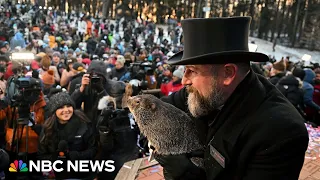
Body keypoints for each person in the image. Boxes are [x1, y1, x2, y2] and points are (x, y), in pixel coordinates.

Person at [156, 17, 308, 180]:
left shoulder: (280, 131)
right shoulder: (203, 90)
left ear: (228, 73)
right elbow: (160, 110)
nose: (184, 80)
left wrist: (187, 176)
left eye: (193, 70)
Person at [38, 92, 97, 180]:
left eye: (68, 106)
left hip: (82, 174)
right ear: (54, 111)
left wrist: (76, 156)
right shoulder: (48, 128)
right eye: (61, 107)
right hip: (57, 175)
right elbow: (41, 155)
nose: (66, 110)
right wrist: (56, 158)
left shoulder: (83, 123)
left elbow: (93, 149)